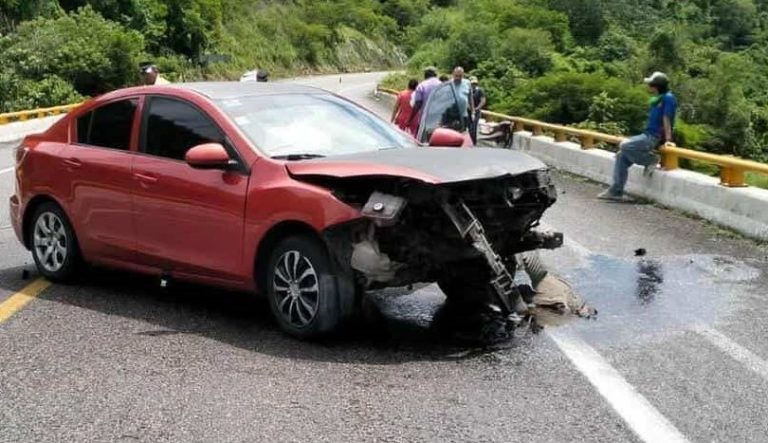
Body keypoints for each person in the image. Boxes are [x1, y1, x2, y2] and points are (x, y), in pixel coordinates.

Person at [598, 72, 676, 202]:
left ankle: (651, 160)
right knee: (621, 156)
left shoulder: (668, 98)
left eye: (650, 84)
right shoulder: (658, 99)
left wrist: (668, 139)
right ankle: (616, 191)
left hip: (654, 137)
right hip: (647, 133)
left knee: (625, 145)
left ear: (656, 86)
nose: (648, 87)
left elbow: (666, 118)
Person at [406, 67, 441, 131]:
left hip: (424, 121)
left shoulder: (422, 86)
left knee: (420, 140)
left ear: (426, 74)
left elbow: (418, 104)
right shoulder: (442, 85)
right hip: (438, 121)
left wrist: (409, 119)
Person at [450, 66, 474, 133]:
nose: (458, 77)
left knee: (463, 133)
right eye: (456, 75)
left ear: (463, 75)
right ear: (453, 74)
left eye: (460, 76)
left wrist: (473, 111)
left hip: (463, 114)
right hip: (451, 115)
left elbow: (470, 98)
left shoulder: (467, 83)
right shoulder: (449, 83)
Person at [469, 76, 486, 144]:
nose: (474, 85)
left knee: (474, 127)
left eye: (475, 83)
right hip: (468, 111)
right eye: (472, 83)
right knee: (469, 127)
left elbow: (483, 100)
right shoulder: (467, 90)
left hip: (476, 111)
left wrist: (477, 108)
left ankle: (473, 142)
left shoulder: (480, 91)